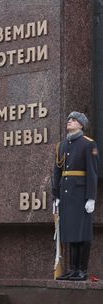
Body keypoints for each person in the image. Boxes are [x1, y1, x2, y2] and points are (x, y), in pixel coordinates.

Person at [52, 112, 98, 281]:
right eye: (69, 119)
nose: (69, 121)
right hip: (66, 195)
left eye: (74, 120)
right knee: (70, 232)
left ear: (81, 125)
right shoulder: (61, 145)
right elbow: (57, 172)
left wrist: (91, 197)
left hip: (81, 195)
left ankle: (82, 270)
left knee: (82, 232)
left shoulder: (88, 144)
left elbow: (92, 172)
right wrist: (55, 195)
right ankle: (72, 270)